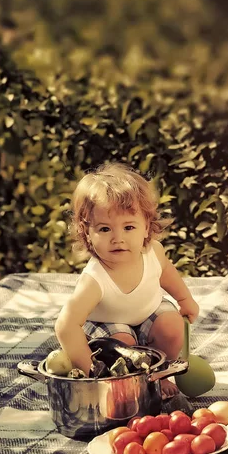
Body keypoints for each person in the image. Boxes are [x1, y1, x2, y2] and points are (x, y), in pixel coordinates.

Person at [55, 162, 200, 397]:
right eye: (104, 229)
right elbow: (66, 325)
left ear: (146, 228)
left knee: (173, 326)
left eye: (129, 227)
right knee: (121, 344)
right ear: (87, 234)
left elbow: (166, 273)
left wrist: (185, 299)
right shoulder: (95, 279)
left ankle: (158, 374)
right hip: (110, 326)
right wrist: (90, 373)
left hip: (148, 314)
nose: (118, 238)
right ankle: (129, 384)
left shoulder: (153, 252)